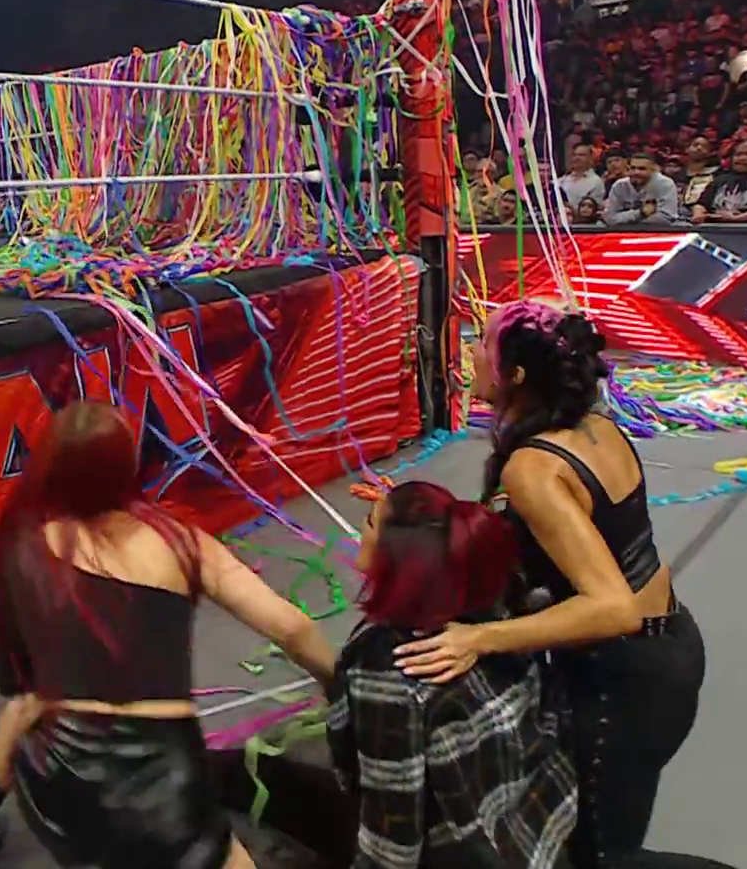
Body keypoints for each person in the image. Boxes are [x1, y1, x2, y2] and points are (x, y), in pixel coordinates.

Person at [395, 301, 711, 869]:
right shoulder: (595, 427)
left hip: (624, 678)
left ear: (515, 375)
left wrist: (476, 639)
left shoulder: (534, 468)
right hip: (668, 647)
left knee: (600, 853)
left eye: (481, 344)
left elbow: (613, 608)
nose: (470, 354)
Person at [0, 401, 337, 869]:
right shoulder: (179, 542)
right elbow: (291, 627)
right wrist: (339, 684)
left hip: (54, 786)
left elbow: (13, 684)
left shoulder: (21, 547)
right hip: (160, 792)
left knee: (32, 704)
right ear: (127, 467)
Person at [207, 480, 578, 869]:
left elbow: (393, 839)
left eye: (370, 522)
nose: (360, 528)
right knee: (259, 776)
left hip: (464, 852)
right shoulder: (495, 602)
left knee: (248, 786)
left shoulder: (390, 669)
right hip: (539, 833)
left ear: (396, 561)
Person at [690, 141, 747, 225]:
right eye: (738, 154)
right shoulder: (720, 179)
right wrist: (698, 215)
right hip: (714, 228)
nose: (742, 158)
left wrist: (737, 218)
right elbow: (701, 204)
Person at [602, 152, 680, 226]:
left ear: (653, 170)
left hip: (657, 232)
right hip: (624, 232)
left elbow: (667, 218)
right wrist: (640, 213)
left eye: (642, 169)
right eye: (633, 168)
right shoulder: (619, 186)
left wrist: (628, 221)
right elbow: (610, 219)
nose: (636, 172)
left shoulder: (665, 184)